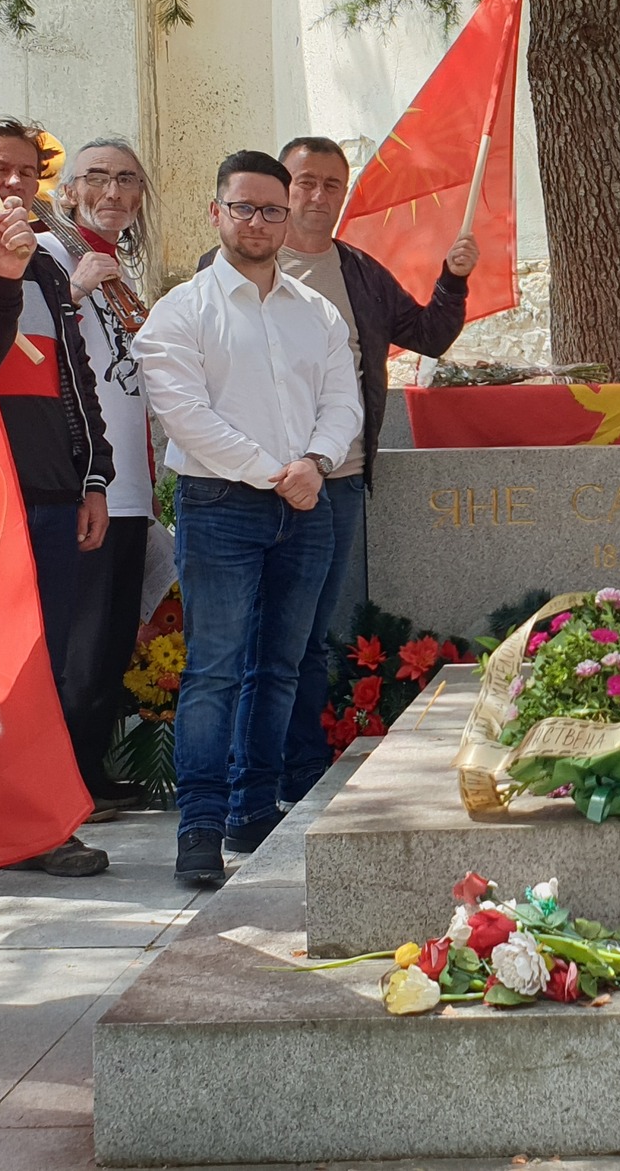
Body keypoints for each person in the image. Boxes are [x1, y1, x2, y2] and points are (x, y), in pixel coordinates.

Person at [135, 151, 363, 888]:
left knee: (283, 665)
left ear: (287, 216)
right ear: (217, 213)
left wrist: (316, 463)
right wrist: (279, 472)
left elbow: (343, 403)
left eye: (272, 209)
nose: (259, 221)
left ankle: (253, 808)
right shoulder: (182, 311)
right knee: (215, 668)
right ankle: (199, 825)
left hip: (309, 504)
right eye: (244, 208)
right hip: (223, 507)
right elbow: (187, 421)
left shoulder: (317, 312)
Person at [250, 134, 474, 835]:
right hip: (254, 487)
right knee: (258, 641)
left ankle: (302, 773)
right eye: (304, 182)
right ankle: (245, 789)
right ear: (281, 187)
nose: (317, 196)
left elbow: (430, 333)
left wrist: (455, 277)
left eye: (330, 185)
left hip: (339, 482)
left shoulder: (358, 272)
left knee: (313, 635)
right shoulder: (243, 265)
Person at [0, 119, 117, 883]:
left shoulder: (47, 265)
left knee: (37, 669)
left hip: (50, 498)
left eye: (24, 175)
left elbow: (76, 375)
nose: (11, 186)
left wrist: (94, 476)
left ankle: (37, 823)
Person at [50, 137, 163, 817]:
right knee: (79, 644)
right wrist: (72, 291)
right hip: (84, 484)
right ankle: (60, 784)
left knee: (113, 641)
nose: (113, 191)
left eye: (127, 179)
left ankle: (87, 771)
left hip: (132, 488)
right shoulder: (49, 255)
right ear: (66, 191)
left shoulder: (122, 271)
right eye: (96, 178)